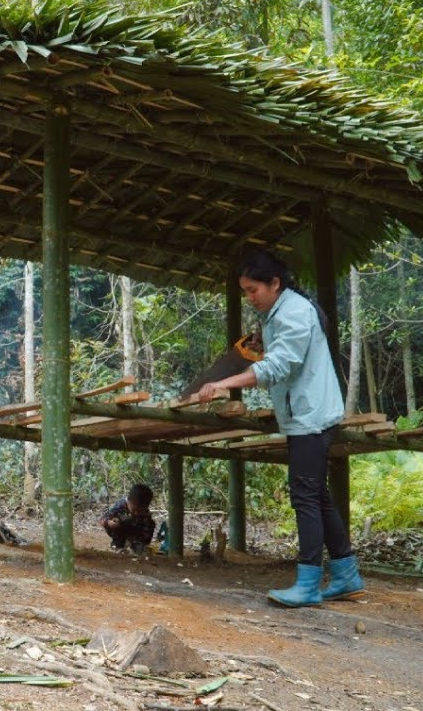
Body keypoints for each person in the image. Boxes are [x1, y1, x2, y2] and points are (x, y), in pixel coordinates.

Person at [197, 250, 365, 607]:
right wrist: (263, 344)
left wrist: (225, 383)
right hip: (304, 413)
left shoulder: (294, 312)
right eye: (244, 291)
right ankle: (346, 574)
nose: (249, 297)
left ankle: (308, 583)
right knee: (316, 494)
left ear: (275, 283)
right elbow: (283, 354)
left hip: (310, 416)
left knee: (304, 497)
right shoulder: (279, 312)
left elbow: (279, 366)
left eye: (253, 290)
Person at [99, 483, 156, 554]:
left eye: (141, 510)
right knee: (117, 521)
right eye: (135, 510)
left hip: (136, 532)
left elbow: (147, 526)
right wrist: (109, 522)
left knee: (150, 524)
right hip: (122, 529)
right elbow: (102, 519)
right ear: (128, 502)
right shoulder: (120, 506)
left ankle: (139, 545)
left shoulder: (145, 512)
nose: (137, 513)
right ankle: (118, 545)